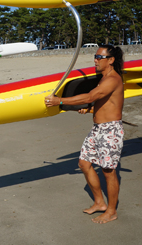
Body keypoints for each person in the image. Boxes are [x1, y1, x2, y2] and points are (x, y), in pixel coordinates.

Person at [45, 45, 124, 224]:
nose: (95, 60)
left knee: (108, 172)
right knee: (83, 164)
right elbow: (103, 103)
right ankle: (99, 203)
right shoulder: (103, 79)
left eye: (99, 57)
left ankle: (111, 211)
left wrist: (60, 101)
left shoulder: (113, 79)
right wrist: (89, 110)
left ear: (110, 60)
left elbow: (90, 96)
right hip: (97, 129)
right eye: (95, 56)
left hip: (110, 131)